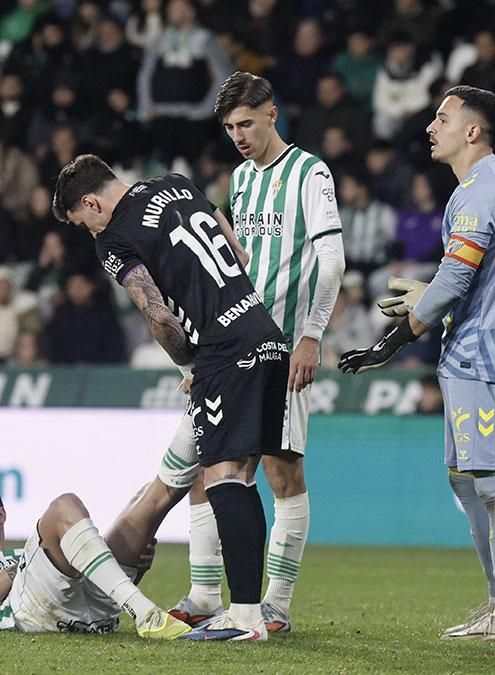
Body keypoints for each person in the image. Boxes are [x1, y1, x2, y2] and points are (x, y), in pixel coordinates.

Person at [53, 154, 287, 641]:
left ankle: (244, 617)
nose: (90, 234)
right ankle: (228, 605)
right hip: (264, 332)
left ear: (93, 203)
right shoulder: (178, 184)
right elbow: (238, 253)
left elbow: (158, 315)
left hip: (223, 350)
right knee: (239, 476)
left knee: (222, 476)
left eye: (83, 224)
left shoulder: (115, 238)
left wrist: (189, 366)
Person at [337, 85, 495, 641]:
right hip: (471, 351)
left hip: (483, 355)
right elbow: (473, 276)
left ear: (472, 131)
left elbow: (458, 278)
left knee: (494, 483)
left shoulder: (478, 192)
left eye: (442, 118)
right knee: (465, 481)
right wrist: (431, 293)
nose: (430, 127)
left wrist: (394, 340)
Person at [165, 71, 346, 635]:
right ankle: (201, 593)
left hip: (285, 347)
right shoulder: (240, 180)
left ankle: (277, 604)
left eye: (246, 123)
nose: (238, 135)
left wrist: (312, 334)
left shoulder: (310, 173)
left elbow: (332, 260)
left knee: (281, 469)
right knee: (209, 461)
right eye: (229, 127)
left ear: (272, 114)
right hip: (232, 344)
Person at [0, 481, 191, 639]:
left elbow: (93, 586)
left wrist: (136, 569)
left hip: (96, 617)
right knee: (63, 507)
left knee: (150, 496)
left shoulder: (31, 555)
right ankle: (145, 612)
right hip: (32, 615)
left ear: (1, 514)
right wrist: (16, 571)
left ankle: (199, 426)